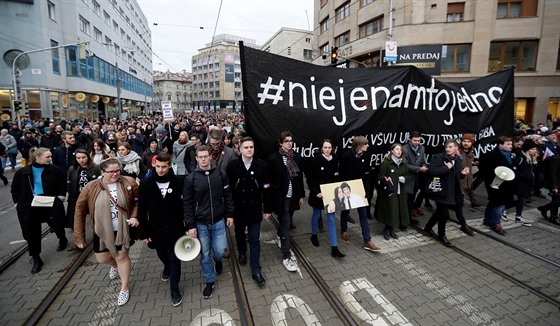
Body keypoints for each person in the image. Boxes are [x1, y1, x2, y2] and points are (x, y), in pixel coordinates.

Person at [74, 158, 140, 306]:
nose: (115, 174)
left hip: (122, 228)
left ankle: (124, 288)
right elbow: (79, 210)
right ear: (102, 172)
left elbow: (137, 202)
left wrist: (135, 216)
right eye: (111, 172)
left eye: (117, 170)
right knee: (102, 259)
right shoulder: (91, 187)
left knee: (121, 256)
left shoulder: (128, 182)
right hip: (102, 230)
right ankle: (116, 266)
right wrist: (79, 237)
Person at [183, 145, 234, 299]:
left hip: (219, 220)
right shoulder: (190, 179)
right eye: (201, 157)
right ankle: (210, 281)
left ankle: (218, 260)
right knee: (205, 254)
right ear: (196, 158)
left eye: (206, 156)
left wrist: (230, 214)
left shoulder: (220, 174)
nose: (204, 159)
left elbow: (228, 194)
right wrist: (190, 225)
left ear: (211, 156)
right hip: (201, 224)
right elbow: (187, 204)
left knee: (219, 250)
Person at [138, 152, 186, 306]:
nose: (160, 170)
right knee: (162, 254)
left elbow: (186, 207)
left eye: (163, 167)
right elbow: (142, 209)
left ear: (169, 166)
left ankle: (174, 288)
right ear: (154, 165)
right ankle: (166, 266)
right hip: (156, 229)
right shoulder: (146, 184)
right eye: (157, 166)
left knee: (174, 258)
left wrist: (188, 226)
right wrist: (143, 232)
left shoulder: (179, 182)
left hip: (175, 228)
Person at [11, 147, 68, 273]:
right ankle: (36, 258)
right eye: (48, 157)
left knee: (56, 223)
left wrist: (60, 198)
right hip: (30, 205)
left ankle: (62, 238)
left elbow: (62, 184)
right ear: (38, 158)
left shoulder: (55, 170)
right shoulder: (23, 172)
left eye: (51, 156)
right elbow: (15, 189)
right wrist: (17, 203)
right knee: (31, 232)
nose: (50, 159)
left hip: (50, 201)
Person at [226, 137, 272, 287]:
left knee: (254, 239)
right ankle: (242, 253)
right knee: (239, 234)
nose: (249, 150)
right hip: (239, 208)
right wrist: (230, 212)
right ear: (239, 148)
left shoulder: (262, 165)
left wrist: (268, 209)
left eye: (251, 147)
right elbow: (229, 191)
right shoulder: (232, 166)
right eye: (246, 147)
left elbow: (266, 188)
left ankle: (256, 270)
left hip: (254, 207)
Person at [268, 131, 305, 271]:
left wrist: (301, 195)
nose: (289, 143)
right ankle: (286, 255)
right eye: (286, 141)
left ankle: (279, 236)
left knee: (288, 218)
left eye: (291, 141)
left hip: (293, 196)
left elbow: (299, 178)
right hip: (280, 197)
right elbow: (270, 180)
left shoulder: (296, 157)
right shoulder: (274, 159)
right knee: (285, 223)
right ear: (280, 143)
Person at [338, 136, 381, 253]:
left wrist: (366, 191)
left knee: (362, 213)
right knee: (345, 210)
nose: (368, 146)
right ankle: (344, 231)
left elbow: (366, 174)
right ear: (358, 145)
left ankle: (367, 240)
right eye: (365, 144)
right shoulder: (346, 157)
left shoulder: (366, 156)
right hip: (347, 188)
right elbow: (342, 174)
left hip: (360, 188)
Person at [423, 139, 468, 246]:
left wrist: (463, 174)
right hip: (441, 191)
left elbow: (456, 176)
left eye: (450, 147)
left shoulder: (457, 159)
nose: (448, 149)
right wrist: (445, 167)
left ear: (456, 148)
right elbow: (432, 171)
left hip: (452, 192)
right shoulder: (438, 158)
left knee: (439, 212)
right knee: (444, 214)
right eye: (446, 147)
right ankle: (441, 236)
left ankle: (428, 228)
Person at [305, 139, 345, 258]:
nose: (327, 150)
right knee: (316, 214)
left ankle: (334, 247)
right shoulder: (315, 160)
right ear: (321, 148)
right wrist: (316, 192)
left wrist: (338, 189)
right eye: (325, 147)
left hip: (330, 193)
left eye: (329, 148)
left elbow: (337, 176)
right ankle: (313, 234)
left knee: (331, 219)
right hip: (318, 194)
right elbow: (310, 179)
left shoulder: (335, 159)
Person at [478, 136, 516, 235]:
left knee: (493, 202)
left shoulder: (510, 155)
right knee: (500, 204)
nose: (510, 146)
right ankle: (496, 224)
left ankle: (488, 220)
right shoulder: (490, 155)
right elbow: (483, 169)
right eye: (508, 144)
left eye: (511, 144)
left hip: (506, 185)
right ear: (500, 145)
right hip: (495, 184)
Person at [375, 143, 409, 241]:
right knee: (390, 209)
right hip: (389, 191)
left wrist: (402, 178)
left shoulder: (404, 162)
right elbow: (380, 175)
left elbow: (407, 175)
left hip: (400, 190)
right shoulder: (386, 162)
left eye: (400, 149)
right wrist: (386, 178)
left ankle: (391, 229)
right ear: (392, 151)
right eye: (397, 149)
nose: (399, 151)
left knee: (397, 209)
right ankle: (387, 229)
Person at [66, 149, 101, 231]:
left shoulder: (96, 167)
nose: (81, 160)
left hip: (91, 196)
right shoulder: (72, 169)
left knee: (94, 213)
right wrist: (70, 191)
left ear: (88, 157)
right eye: (78, 158)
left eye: (83, 157)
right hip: (77, 195)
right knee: (78, 214)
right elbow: (69, 182)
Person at [402, 131, 428, 224]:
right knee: (404, 200)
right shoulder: (404, 149)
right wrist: (419, 169)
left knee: (411, 199)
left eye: (419, 140)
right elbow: (405, 165)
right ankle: (403, 219)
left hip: (416, 179)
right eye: (415, 140)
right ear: (410, 139)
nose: (417, 142)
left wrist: (424, 165)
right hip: (407, 179)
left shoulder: (421, 148)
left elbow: (423, 160)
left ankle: (409, 217)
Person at [511, 141, 536, 226]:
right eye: (532, 149)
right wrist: (524, 176)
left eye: (535, 149)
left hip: (527, 183)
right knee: (520, 200)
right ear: (527, 150)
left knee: (522, 200)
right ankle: (517, 215)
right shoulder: (520, 158)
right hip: (520, 183)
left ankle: (518, 216)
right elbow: (514, 169)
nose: (534, 151)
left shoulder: (531, 159)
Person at [459, 134, 480, 209]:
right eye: (464, 141)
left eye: (468, 141)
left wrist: (473, 163)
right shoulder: (458, 152)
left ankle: (473, 201)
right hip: (460, 178)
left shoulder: (473, 152)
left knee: (469, 187)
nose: (466, 143)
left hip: (469, 177)